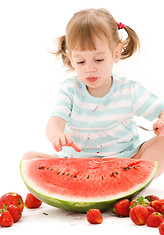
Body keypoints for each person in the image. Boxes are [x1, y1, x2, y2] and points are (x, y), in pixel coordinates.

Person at [22, 8, 164, 177]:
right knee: (28, 160)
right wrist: (57, 135)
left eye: (98, 59)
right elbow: (55, 122)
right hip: (76, 164)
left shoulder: (129, 90)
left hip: (125, 161)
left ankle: (128, 184)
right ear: (71, 57)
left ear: (116, 53)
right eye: (81, 61)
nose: (90, 68)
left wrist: (161, 124)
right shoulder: (70, 90)